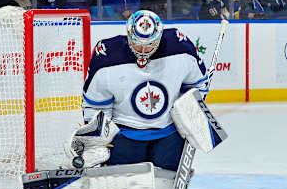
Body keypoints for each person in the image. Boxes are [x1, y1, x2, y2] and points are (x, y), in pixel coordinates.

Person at [81, 10, 208, 172]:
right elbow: (95, 106)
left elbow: (198, 85)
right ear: (128, 35)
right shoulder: (107, 57)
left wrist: (188, 113)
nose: (143, 50)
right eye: (137, 43)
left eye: (149, 45)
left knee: (167, 188)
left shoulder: (180, 48)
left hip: (169, 132)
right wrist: (98, 139)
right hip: (124, 133)